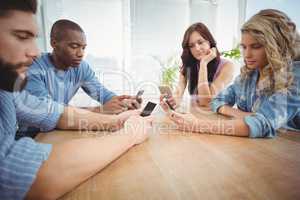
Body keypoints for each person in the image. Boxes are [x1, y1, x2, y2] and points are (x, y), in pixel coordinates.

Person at [0, 1, 153, 199]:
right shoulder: (33, 69)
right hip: (30, 137)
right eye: (21, 37)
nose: (34, 52)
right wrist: (129, 134)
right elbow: (28, 176)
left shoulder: (8, 92)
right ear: (54, 43)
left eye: (83, 47)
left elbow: (57, 112)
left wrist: (120, 112)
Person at [162, 9, 300, 138]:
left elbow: (263, 123)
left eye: (256, 46)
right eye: (244, 47)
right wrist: (245, 116)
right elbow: (217, 101)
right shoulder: (249, 76)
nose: (247, 55)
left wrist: (198, 125)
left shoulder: (294, 75)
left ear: (276, 46)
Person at [160, 22, 234, 108]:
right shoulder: (189, 65)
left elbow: (206, 102)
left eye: (200, 42)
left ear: (209, 42)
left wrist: (203, 64)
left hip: (220, 118)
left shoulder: (227, 66)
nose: (197, 49)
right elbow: (178, 93)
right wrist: (173, 100)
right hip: (197, 115)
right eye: (191, 46)